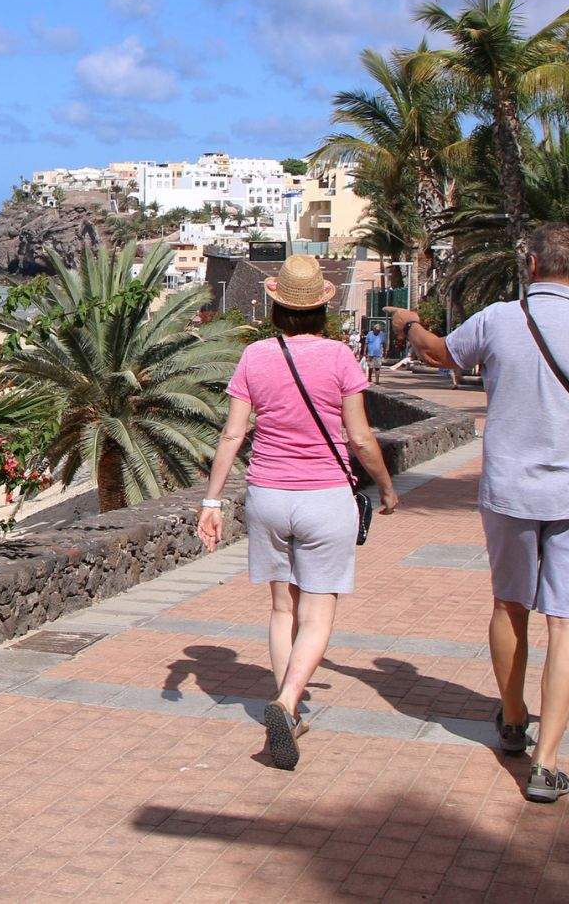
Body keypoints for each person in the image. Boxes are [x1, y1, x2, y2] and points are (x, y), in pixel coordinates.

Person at [391, 223, 569, 804]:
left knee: (509, 605)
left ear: (532, 263)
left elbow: (440, 353)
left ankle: (515, 719)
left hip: (509, 493)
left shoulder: (499, 319)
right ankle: (546, 763)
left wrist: (411, 323)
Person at [198, 255, 399, 771]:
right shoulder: (339, 358)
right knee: (318, 609)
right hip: (326, 496)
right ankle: (287, 704)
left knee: (281, 609)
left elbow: (233, 434)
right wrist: (385, 485)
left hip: (268, 494)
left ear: (276, 304)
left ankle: (288, 705)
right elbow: (358, 437)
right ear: (321, 307)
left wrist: (212, 501)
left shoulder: (255, 357)